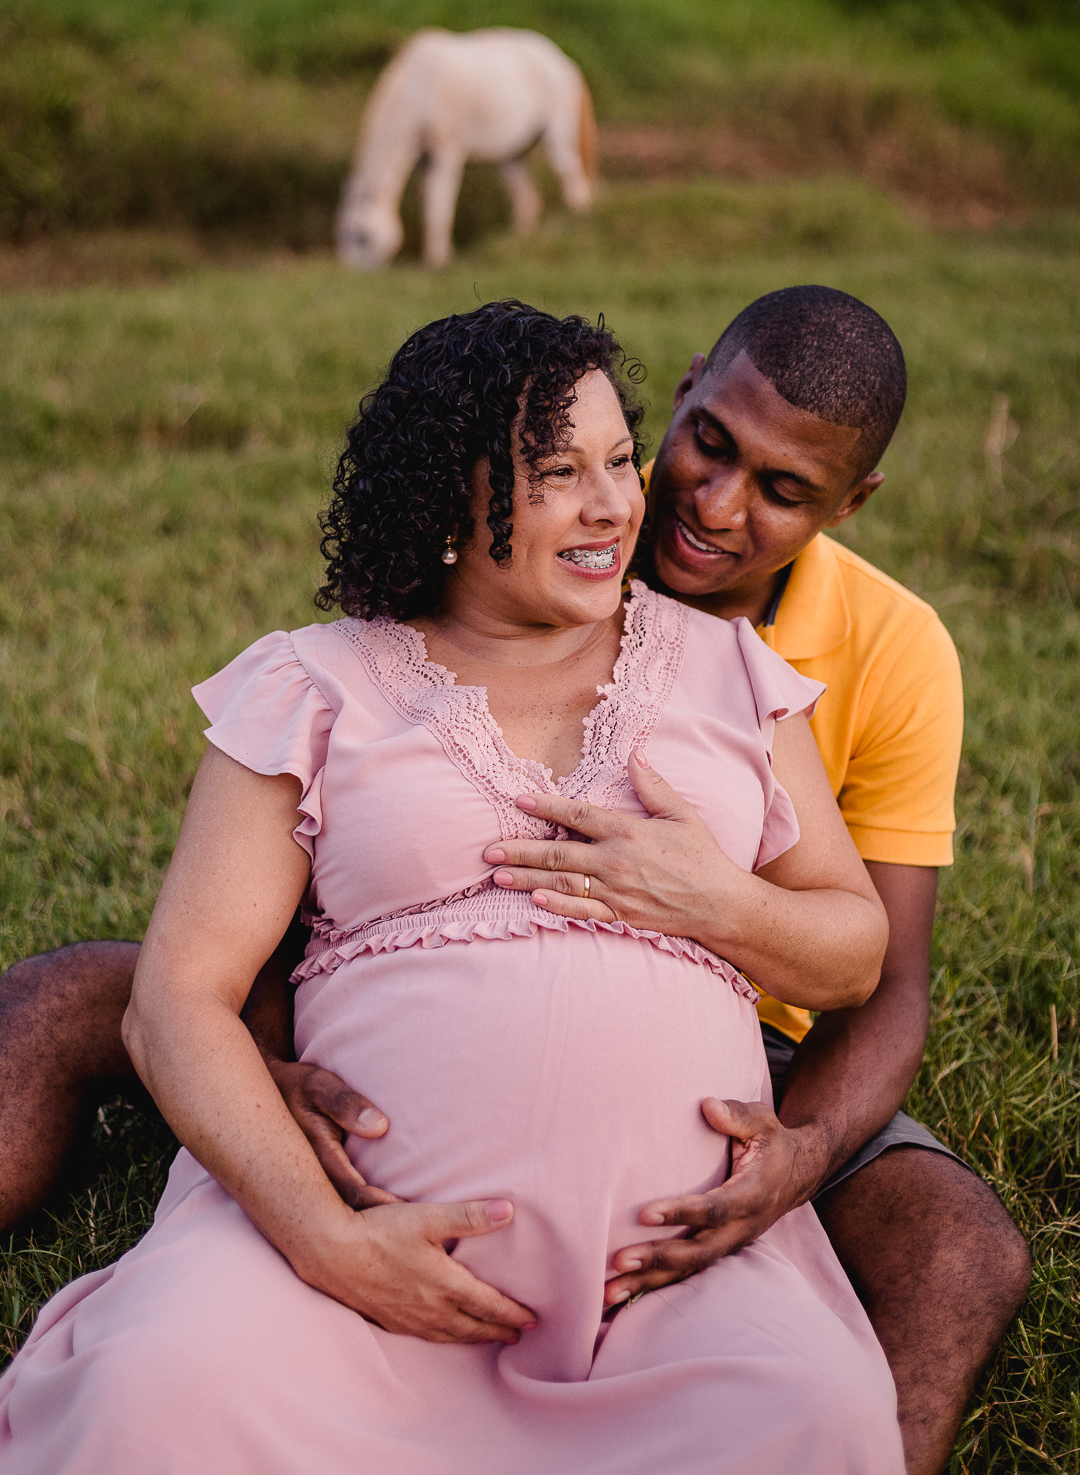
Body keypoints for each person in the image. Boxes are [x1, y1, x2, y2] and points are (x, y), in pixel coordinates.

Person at [0, 287, 1029, 1473]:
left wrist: (723, 914)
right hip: (353, 1243)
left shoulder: (749, 666)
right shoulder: (315, 682)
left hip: (665, 1259)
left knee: (815, 1414)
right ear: (454, 496)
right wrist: (327, 1234)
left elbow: (869, 960)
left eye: (613, 461)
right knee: (157, 1394)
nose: (634, 503)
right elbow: (185, 990)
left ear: (849, 505)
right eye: (564, 470)